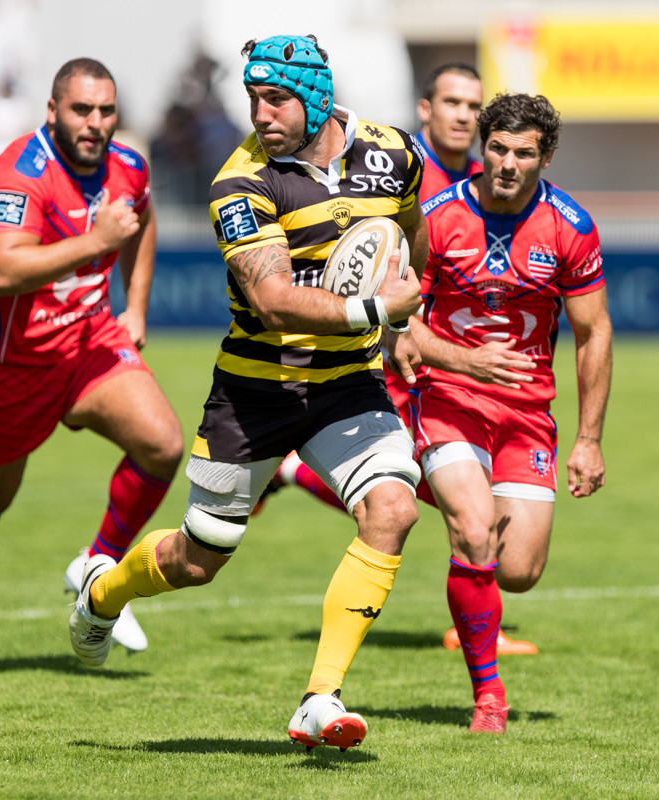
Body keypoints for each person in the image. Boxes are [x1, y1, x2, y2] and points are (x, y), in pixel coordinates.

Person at [68, 34, 428, 752]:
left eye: (276, 98)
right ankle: (101, 594)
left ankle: (319, 698)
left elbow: (409, 234)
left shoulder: (392, 152)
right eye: (253, 98)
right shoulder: (241, 183)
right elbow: (273, 301)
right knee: (200, 559)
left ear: (317, 96)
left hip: (348, 383)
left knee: (393, 507)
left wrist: (405, 319)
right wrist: (375, 312)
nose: (259, 113)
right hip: (256, 390)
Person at [0, 57, 184, 678]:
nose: (95, 123)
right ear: (53, 111)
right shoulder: (19, 174)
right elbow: (3, 271)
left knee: (164, 446)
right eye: (82, 110)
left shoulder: (129, 168)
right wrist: (96, 240)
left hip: (89, 343)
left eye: (106, 111)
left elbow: (143, 221)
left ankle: (97, 565)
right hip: (10, 368)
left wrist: (135, 307)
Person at [251, 63, 541, 656]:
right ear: (425, 110)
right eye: (452, 102)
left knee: (441, 487)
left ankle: (292, 473)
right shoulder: (405, 170)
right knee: (429, 484)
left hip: (434, 356)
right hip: (393, 353)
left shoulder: (478, 177)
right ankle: (481, 629)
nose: (464, 114)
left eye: (472, 105)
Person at [405, 93, 612, 733]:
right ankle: (489, 698)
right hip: (446, 400)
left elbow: (594, 332)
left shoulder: (571, 227)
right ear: (482, 147)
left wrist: (589, 440)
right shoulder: (435, 217)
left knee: (517, 572)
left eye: (523, 153)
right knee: (472, 528)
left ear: (544, 156)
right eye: (497, 148)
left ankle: (410, 477)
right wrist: (460, 361)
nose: (507, 163)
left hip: (526, 415)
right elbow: (398, 320)